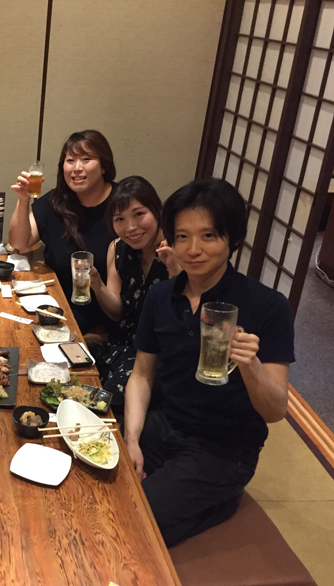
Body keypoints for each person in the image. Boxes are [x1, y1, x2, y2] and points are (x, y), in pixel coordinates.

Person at [124, 178, 294, 547]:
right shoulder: (161, 296)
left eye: (208, 236)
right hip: (162, 426)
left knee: (135, 524)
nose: (193, 249)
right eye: (182, 237)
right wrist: (131, 438)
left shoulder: (268, 306)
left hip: (222, 449)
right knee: (100, 486)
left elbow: (275, 410)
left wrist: (250, 365)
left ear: (232, 238)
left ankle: (221, 501)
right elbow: (141, 376)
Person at [87, 176, 179, 412]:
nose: (130, 227)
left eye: (139, 214)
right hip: (120, 342)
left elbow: (184, 316)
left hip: (155, 353)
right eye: (120, 219)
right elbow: (116, 312)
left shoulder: (177, 249)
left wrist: (175, 271)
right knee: (70, 368)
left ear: (157, 210)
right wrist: (97, 285)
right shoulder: (118, 248)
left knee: (104, 399)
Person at [9, 130, 117, 332]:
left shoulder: (121, 205)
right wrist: (23, 200)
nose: (77, 168)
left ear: (104, 166)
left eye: (86, 159)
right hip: (55, 307)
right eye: (70, 160)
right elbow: (19, 242)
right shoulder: (56, 201)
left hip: (103, 316)